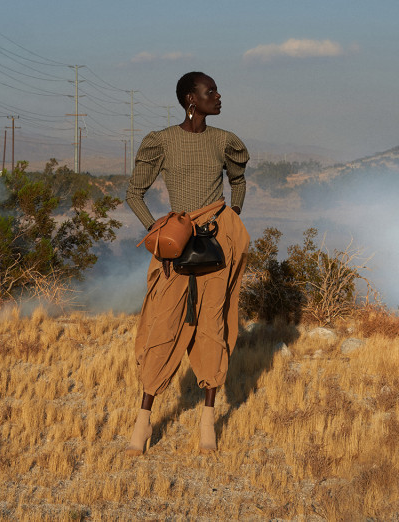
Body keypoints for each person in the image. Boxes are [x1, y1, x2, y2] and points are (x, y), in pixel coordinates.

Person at [124, 71, 250, 455]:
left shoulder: (224, 140)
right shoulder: (161, 141)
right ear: (191, 101)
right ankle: (143, 423)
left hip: (216, 242)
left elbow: (238, 182)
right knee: (163, 324)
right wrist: (159, 230)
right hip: (176, 244)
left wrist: (232, 219)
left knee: (212, 324)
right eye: (211, 91)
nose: (219, 96)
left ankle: (207, 422)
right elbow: (134, 193)